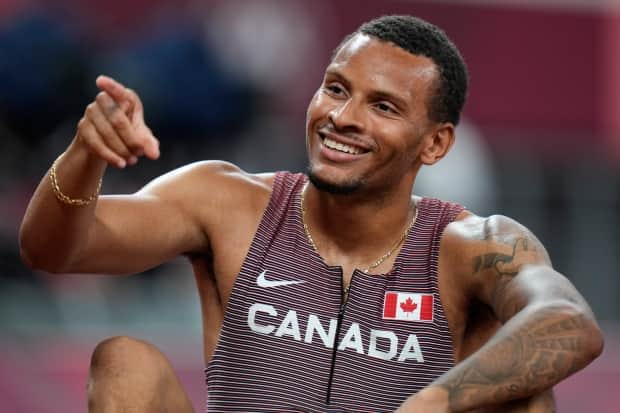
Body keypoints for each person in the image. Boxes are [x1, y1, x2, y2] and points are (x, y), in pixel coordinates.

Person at [19, 15, 603, 413]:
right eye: (335, 88)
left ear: (435, 144)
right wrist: (83, 158)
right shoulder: (229, 202)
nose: (343, 117)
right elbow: (52, 251)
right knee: (125, 364)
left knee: (523, 398)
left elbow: (569, 320)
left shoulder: (468, 244)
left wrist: (438, 400)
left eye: (383, 106)